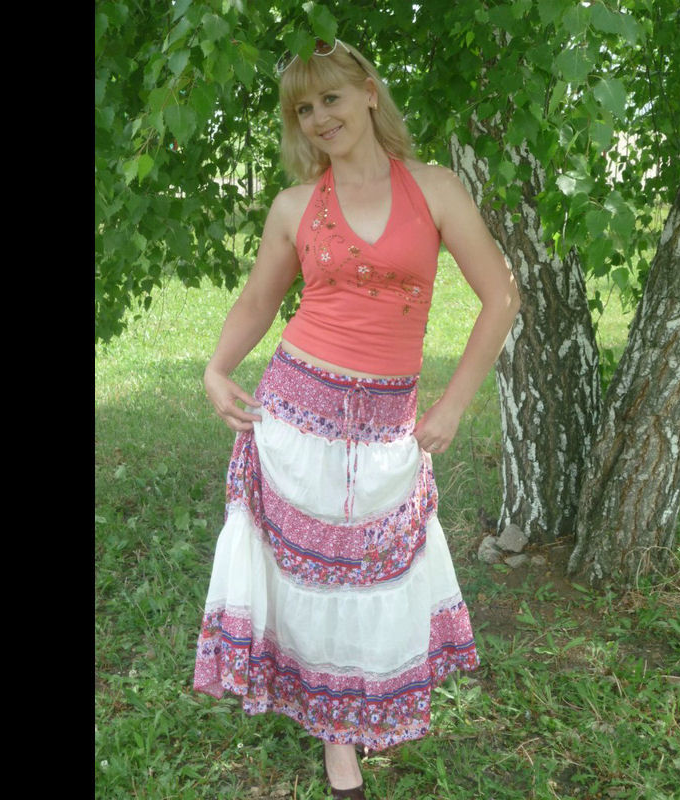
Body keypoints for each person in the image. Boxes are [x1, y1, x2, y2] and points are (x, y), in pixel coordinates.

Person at [193, 38, 520, 799]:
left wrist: (455, 402)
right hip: (297, 414)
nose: (319, 117)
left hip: (387, 424)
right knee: (311, 576)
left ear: (370, 92)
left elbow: (501, 296)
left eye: (331, 98)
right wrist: (215, 369)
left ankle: (355, 701)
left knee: (372, 569)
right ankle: (338, 742)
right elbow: (260, 300)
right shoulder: (295, 206)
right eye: (303, 109)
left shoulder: (435, 189)